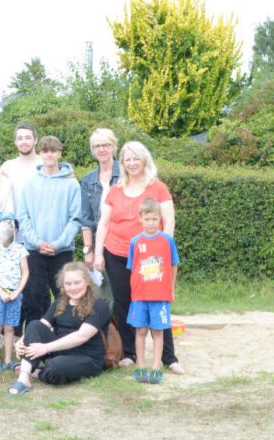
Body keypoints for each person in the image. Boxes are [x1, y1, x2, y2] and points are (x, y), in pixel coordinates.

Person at [93, 141, 184, 375]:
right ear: (122, 163)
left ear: (145, 161)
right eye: (127, 159)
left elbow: (169, 220)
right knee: (124, 302)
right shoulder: (115, 190)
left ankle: (168, 357)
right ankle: (130, 353)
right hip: (117, 253)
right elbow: (103, 223)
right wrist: (99, 252)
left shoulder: (158, 188)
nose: (132, 163)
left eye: (136, 158)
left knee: (157, 303)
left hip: (150, 259)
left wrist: (163, 247)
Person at [8, 262, 111, 395]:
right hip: (59, 350)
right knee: (34, 324)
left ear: (87, 282)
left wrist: (46, 348)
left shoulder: (100, 305)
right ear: (63, 285)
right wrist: (22, 341)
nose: (73, 287)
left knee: (54, 368)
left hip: (86, 358)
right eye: (68, 284)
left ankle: (34, 370)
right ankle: (24, 379)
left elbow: (81, 337)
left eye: (77, 282)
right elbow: (42, 325)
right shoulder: (60, 302)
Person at [17, 136, 81, 332]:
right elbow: (23, 217)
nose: (49, 155)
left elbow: (75, 219)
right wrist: (37, 242)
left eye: (53, 151)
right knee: (34, 296)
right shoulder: (30, 184)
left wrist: (59, 243)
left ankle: (65, 335)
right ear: (41, 154)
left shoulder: (71, 185)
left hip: (61, 251)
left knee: (65, 295)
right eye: (45, 151)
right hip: (35, 250)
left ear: (59, 153)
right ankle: (35, 336)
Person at [127, 198, 180, 384]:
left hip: (160, 296)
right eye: (147, 219)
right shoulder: (135, 242)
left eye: (155, 219)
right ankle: (140, 366)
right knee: (140, 331)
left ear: (160, 220)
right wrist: (134, 294)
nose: (151, 223)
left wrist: (171, 289)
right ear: (140, 219)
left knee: (158, 332)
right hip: (140, 297)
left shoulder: (167, 240)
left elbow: (174, 265)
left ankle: (156, 366)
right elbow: (133, 269)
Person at [0, 212, 29, 372]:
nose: (6, 229)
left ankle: (8, 360)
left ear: (16, 230)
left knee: (10, 327)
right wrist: (1, 292)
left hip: (15, 294)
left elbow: (25, 272)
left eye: (10, 225)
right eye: (1, 226)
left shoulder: (20, 249)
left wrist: (17, 292)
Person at [80, 129, 121, 305]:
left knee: (122, 294)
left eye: (105, 145)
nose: (101, 149)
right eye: (97, 146)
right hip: (99, 244)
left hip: (122, 241)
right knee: (103, 297)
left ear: (113, 147)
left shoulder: (126, 174)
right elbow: (86, 218)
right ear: (92, 150)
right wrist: (88, 251)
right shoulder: (88, 180)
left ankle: (128, 333)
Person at [0, 124, 43, 242]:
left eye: (28, 138)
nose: (24, 142)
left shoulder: (45, 165)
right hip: (14, 236)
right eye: (20, 138)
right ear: (15, 142)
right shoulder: (7, 167)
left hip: (40, 235)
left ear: (35, 140)